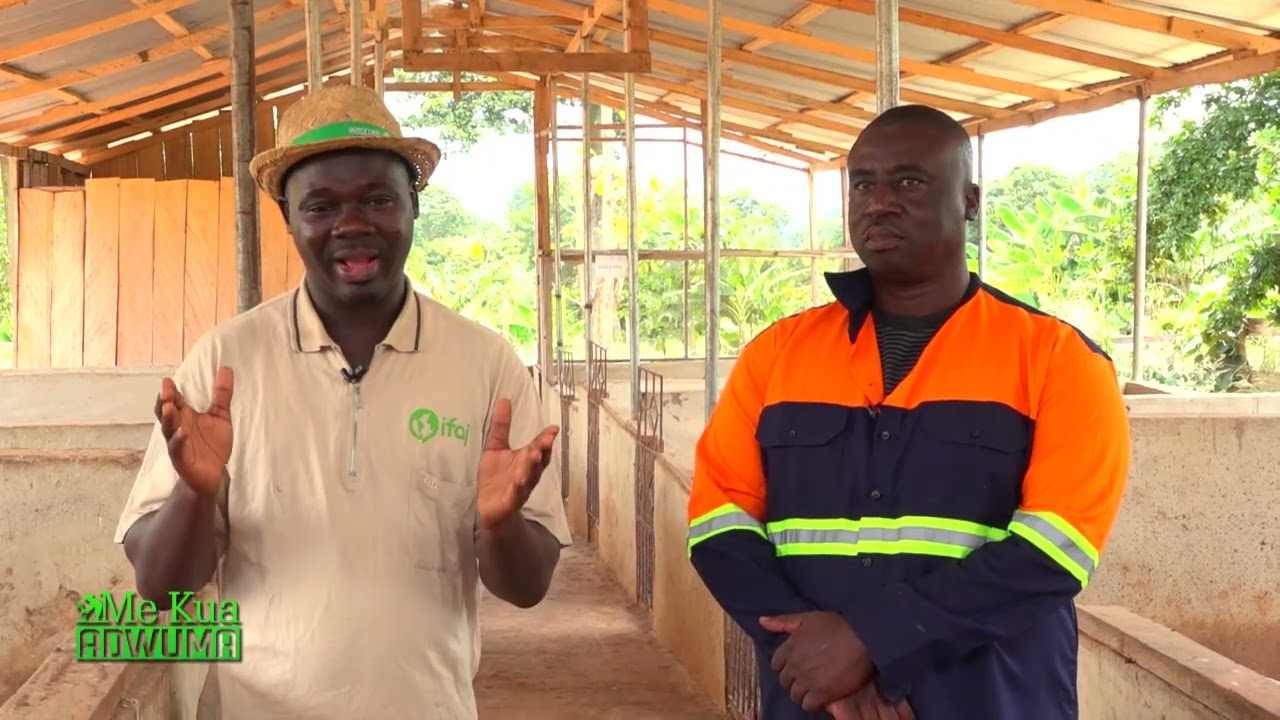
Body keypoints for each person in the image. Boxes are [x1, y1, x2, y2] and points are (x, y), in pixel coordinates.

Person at [112, 84, 572, 719]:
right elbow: (160, 588)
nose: (352, 225)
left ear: (415, 203)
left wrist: (499, 525)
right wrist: (194, 493)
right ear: (287, 217)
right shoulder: (224, 364)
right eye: (321, 206)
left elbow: (527, 587)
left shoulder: (485, 365)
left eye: (378, 199)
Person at [685, 104, 1131, 719]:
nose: (879, 202)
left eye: (909, 182)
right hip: (817, 703)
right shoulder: (778, 354)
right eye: (862, 184)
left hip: (991, 702)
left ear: (970, 202)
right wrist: (820, 660)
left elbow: (1054, 554)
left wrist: (871, 641)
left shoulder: (1059, 359)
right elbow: (718, 525)